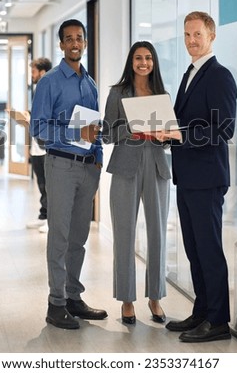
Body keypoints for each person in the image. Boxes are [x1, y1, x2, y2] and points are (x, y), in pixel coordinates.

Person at [159, 11, 237, 342]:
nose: (191, 40)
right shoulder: (191, 73)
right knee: (193, 248)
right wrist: (165, 129)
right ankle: (203, 311)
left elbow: (224, 128)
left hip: (206, 178)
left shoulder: (219, 76)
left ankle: (218, 321)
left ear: (212, 36)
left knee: (208, 249)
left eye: (197, 35)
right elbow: (186, 120)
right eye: (187, 35)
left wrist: (180, 135)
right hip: (188, 177)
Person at [30, 19, 107, 329]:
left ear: (85, 43)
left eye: (80, 38)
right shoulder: (49, 82)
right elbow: (38, 129)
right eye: (69, 39)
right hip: (61, 165)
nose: (75, 43)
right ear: (61, 45)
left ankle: (73, 297)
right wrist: (77, 131)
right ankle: (56, 303)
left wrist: (98, 158)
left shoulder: (90, 84)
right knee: (60, 237)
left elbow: (96, 128)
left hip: (88, 170)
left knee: (79, 238)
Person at [102, 41, 171, 324]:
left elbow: (168, 139)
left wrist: (164, 136)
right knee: (124, 235)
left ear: (154, 62)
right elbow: (106, 133)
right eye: (139, 58)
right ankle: (127, 300)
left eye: (148, 58)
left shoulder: (162, 93)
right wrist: (133, 126)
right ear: (131, 62)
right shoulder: (117, 93)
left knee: (158, 236)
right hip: (125, 166)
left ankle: (155, 297)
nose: (144, 63)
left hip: (156, 165)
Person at [25, 58, 52, 234]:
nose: (32, 75)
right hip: (36, 144)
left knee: (49, 184)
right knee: (41, 183)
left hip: (47, 144)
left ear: (41, 71)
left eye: (33, 71)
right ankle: (43, 216)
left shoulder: (49, 87)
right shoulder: (37, 89)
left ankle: (51, 220)